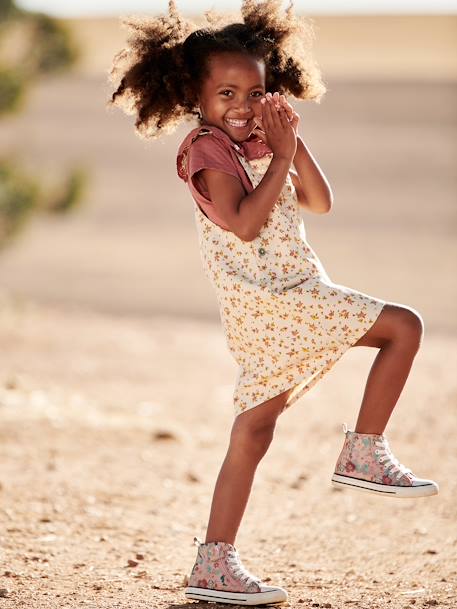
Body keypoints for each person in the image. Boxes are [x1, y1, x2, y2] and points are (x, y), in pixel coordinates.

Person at [107, 1, 439, 605]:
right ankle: (363, 450)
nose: (241, 105)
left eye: (255, 91)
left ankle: (214, 564)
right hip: (274, 301)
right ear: (195, 97)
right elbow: (243, 224)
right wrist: (279, 155)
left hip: (279, 300)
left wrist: (291, 141)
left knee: (253, 431)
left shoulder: (265, 141)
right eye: (227, 92)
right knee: (403, 327)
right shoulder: (207, 151)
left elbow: (319, 202)